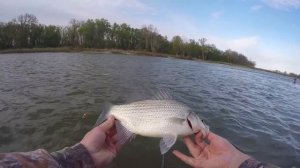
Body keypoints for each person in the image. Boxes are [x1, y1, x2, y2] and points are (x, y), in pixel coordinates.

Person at [0, 116, 279, 168]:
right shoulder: (187, 121)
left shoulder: (185, 123)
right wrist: (240, 164)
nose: (203, 124)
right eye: (201, 120)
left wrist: (81, 154)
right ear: (192, 119)